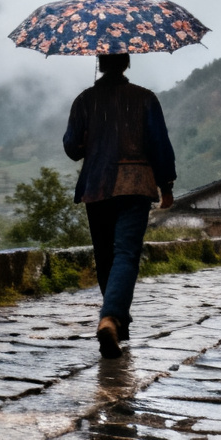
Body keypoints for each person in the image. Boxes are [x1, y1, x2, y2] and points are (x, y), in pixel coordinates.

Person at [63, 52, 175, 359]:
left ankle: (114, 321)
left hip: (96, 186)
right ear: (126, 64)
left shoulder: (84, 100)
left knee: (105, 257)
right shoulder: (146, 99)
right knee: (126, 253)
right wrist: (166, 186)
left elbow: (72, 147)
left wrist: (86, 140)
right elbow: (160, 146)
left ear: (99, 64)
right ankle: (111, 319)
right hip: (134, 184)